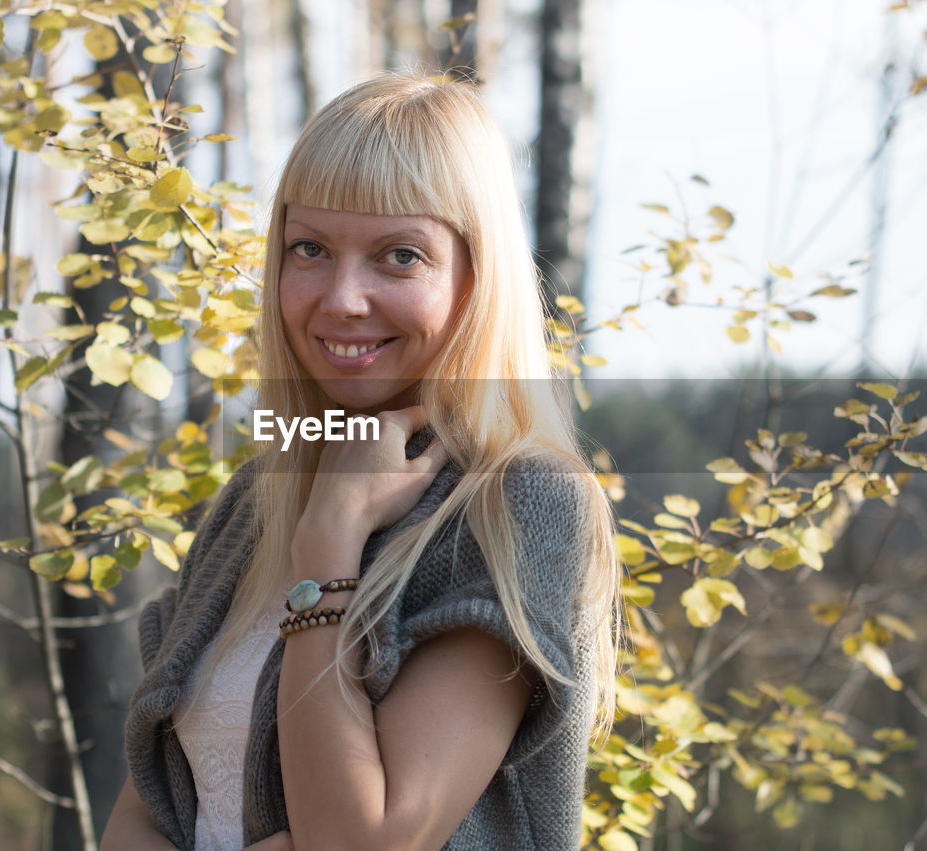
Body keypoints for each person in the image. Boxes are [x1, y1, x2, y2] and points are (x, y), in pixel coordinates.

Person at [101, 73, 619, 851]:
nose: (341, 298)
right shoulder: (259, 496)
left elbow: (361, 840)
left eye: (399, 256)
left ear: (477, 278)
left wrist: (331, 544)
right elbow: (145, 806)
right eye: (309, 248)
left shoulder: (523, 501)